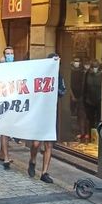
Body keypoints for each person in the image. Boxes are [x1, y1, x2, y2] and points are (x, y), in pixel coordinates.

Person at [28, 52, 63, 183]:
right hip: (39, 113)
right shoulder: (38, 76)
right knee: (36, 143)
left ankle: (44, 172)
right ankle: (32, 160)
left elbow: (62, 91)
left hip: (51, 114)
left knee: (49, 144)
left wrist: (55, 90)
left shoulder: (59, 77)